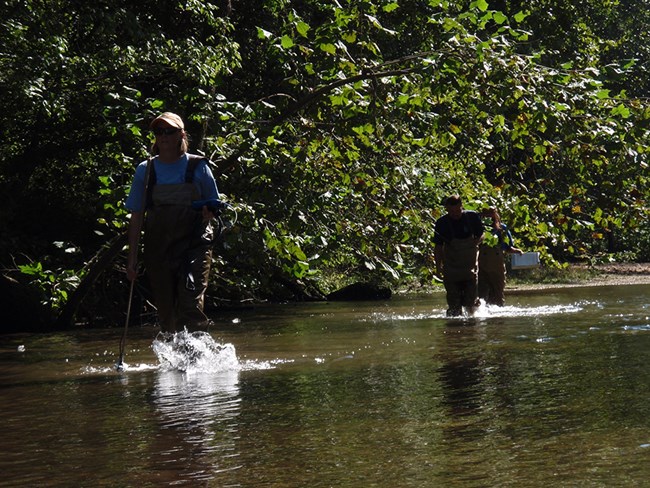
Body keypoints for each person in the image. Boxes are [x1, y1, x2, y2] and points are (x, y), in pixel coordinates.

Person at [125, 112, 220, 333]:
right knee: (166, 310)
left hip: (195, 245)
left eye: (169, 131)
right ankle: (173, 361)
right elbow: (137, 215)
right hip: (159, 247)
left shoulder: (198, 166)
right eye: (159, 131)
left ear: (181, 134)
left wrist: (209, 212)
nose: (164, 136)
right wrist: (132, 259)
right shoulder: (145, 170)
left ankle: (199, 358)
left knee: (190, 302)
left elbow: (214, 205)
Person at [433, 195, 484, 317]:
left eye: (457, 210)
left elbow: (482, 234)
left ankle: (472, 329)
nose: (454, 214)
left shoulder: (472, 217)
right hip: (451, 268)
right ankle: (454, 329)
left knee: (471, 303)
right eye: (451, 211)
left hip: (470, 268)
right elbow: (438, 247)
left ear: (462, 206)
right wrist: (438, 268)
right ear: (446, 209)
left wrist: (476, 242)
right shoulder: (441, 223)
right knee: (454, 305)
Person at [478, 207, 524, 306]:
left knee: (498, 293)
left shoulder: (502, 229)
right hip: (481, 266)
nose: (489, 217)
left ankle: (498, 317)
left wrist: (516, 251)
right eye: (486, 214)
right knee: (481, 293)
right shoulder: (477, 228)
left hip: (497, 267)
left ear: (495, 215)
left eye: (491, 214)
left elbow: (507, 247)